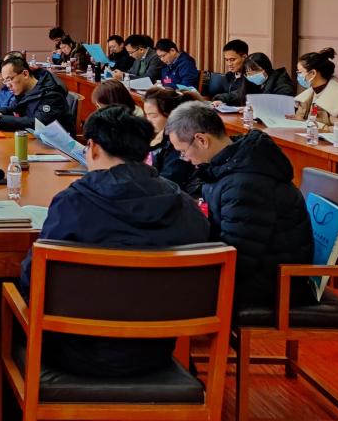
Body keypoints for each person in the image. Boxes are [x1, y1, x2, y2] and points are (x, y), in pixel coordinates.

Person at [19, 106, 209, 377]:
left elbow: (34, 276)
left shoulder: (74, 202)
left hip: (74, 351)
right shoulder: (183, 204)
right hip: (156, 349)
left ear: (93, 148)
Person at [165, 102, 313, 308]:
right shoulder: (230, 163)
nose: (186, 159)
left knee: (166, 288)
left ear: (201, 140)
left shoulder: (246, 183)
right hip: (259, 270)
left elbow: (239, 256)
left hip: (272, 283)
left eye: (183, 151)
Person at [0, 55, 73, 133]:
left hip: (56, 143)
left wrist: (1, 121)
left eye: (9, 79)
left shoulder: (51, 94)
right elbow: (13, 109)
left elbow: (38, 124)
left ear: (25, 74)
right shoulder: (24, 90)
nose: (8, 85)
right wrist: (0, 113)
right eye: (5, 81)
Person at [143, 86, 199, 190]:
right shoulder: (156, 135)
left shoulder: (180, 143)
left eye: (153, 116)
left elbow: (169, 182)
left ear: (171, 114)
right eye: (146, 115)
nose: (148, 120)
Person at [293, 48, 338, 131]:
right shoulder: (308, 95)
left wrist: (316, 126)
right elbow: (301, 119)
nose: (298, 76)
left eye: (300, 72)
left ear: (313, 73)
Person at [211, 39, 250, 106]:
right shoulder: (229, 76)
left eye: (232, 60)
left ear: (244, 57)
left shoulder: (251, 76)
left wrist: (222, 99)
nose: (229, 64)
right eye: (226, 60)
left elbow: (240, 94)